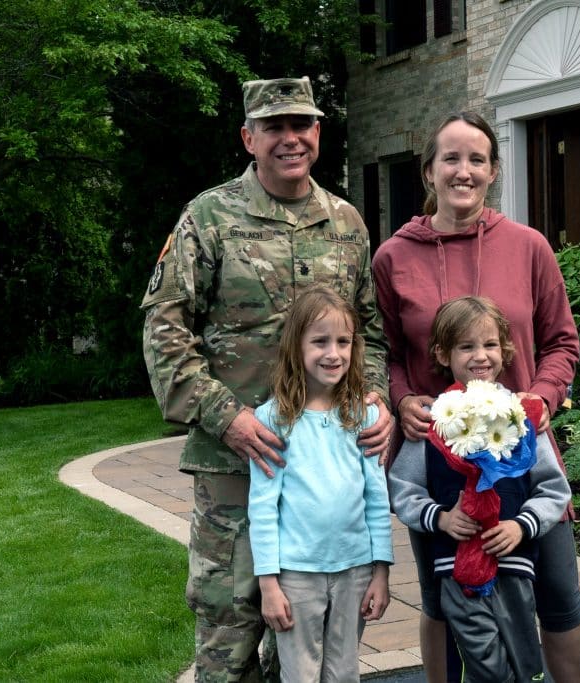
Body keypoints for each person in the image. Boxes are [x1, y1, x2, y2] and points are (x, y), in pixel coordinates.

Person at [142, 76, 393, 683]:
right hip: (235, 466)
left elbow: (372, 332)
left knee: (313, 641)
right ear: (248, 137)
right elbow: (163, 326)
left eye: (301, 124)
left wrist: (376, 399)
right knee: (230, 630)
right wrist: (225, 416)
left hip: (325, 472)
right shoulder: (210, 216)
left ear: (318, 133)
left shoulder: (348, 223)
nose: (290, 138)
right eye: (274, 127)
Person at [372, 111, 580, 683]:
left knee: (560, 596)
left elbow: (562, 342)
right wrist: (402, 401)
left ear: (494, 171)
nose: (463, 171)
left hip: (521, 448)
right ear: (429, 171)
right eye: (451, 158)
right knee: (443, 598)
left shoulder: (528, 246)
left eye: (476, 159)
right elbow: (385, 353)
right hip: (439, 460)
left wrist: (539, 402)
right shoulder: (393, 258)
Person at [389, 296, 572, 682]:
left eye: (490, 345)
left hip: (516, 562)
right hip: (456, 568)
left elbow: (554, 489)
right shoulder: (435, 419)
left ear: (505, 350)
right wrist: (439, 518)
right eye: (466, 346)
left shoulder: (520, 415)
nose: (481, 356)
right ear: (442, 353)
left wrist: (522, 526)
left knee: (524, 661)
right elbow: (403, 487)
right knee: (483, 661)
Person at [248, 285, 393, 682]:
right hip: (296, 574)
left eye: (343, 341)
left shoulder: (362, 416)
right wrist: (269, 584)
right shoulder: (272, 419)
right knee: (300, 674)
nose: (333, 353)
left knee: (344, 672)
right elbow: (262, 508)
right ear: (296, 346)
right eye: (320, 341)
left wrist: (381, 571)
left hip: (355, 570)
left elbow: (377, 499)